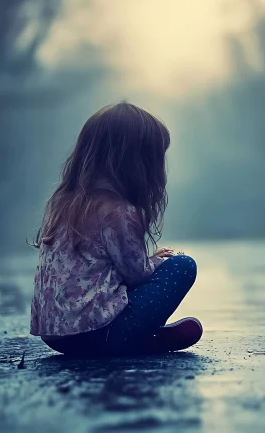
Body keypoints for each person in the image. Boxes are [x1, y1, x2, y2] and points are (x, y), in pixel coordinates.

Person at [29, 102, 202, 357]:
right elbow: (136, 273)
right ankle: (136, 341)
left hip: (56, 336)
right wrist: (155, 261)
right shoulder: (116, 210)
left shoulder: (64, 203)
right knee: (183, 266)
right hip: (97, 333)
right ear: (138, 162)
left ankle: (137, 339)